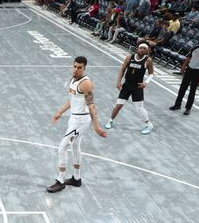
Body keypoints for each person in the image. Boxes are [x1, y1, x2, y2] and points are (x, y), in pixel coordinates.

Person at [47, 56, 107, 193]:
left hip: (80, 120)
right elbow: (71, 100)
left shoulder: (86, 84)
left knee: (62, 148)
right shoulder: (73, 80)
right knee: (75, 146)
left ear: (84, 68)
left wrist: (96, 126)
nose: (76, 69)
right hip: (74, 118)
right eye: (74, 66)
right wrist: (59, 112)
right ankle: (76, 178)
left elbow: (91, 106)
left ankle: (60, 181)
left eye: (79, 67)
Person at [105, 43, 155, 134]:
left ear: (147, 50)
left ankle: (149, 125)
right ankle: (110, 120)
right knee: (118, 105)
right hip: (127, 85)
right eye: (141, 48)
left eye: (144, 48)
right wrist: (119, 81)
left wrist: (146, 82)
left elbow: (151, 73)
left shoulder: (148, 60)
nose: (142, 49)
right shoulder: (129, 57)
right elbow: (122, 70)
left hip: (138, 86)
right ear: (137, 49)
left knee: (139, 108)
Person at [170, 35, 199, 115]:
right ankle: (177, 104)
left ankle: (188, 108)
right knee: (182, 88)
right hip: (189, 70)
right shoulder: (195, 48)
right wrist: (183, 67)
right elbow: (188, 58)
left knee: (192, 91)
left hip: (198, 72)